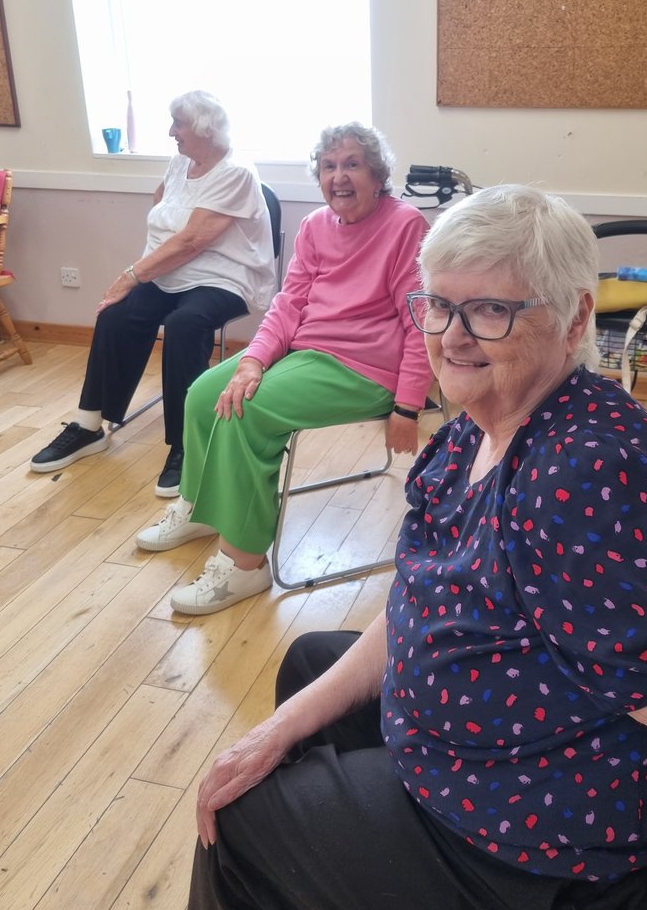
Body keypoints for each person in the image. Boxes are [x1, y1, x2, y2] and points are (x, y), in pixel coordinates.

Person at [176, 185, 647, 910]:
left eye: (491, 311)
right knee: (311, 668)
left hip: (563, 871)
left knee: (239, 834)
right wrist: (275, 733)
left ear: (576, 317)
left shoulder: (583, 488)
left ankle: (325, 889)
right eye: (436, 306)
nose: (451, 336)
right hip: (506, 762)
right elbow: (422, 597)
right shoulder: (480, 429)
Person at [136, 122, 434, 615]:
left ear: (377, 175)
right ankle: (200, 505)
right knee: (203, 393)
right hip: (306, 351)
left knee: (245, 412)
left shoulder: (405, 225)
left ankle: (244, 565)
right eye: (329, 166)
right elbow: (288, 303)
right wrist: (253, 360)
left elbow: (422, 317)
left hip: (366, 366)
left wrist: (408, 403)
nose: (339, 176)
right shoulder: (315, 226)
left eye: (352, 164)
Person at [30, 91, 275, 496]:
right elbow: (163, 207)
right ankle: (89, 425)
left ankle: (187, 446)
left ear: (206, 129)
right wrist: (140, 276)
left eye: (177, 123)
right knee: (116, 314)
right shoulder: (181, 162)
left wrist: (131, 274)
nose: (170, 132)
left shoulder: (236, 172)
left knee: (184, 324)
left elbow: (192, 241)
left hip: (225, 277)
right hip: (172, 273)